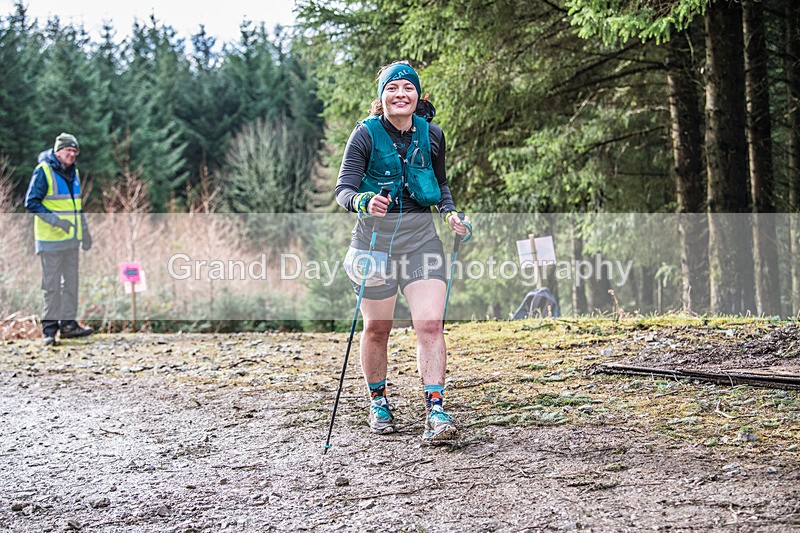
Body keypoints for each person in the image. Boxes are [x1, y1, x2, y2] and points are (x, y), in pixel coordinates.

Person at [335, 61, 471, 443]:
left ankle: (436, 410)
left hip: (421, 242)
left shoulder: (433, 135)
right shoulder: (364, 135)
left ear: (417, 95)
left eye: (407, 88)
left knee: (430, 323)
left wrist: (450, 214)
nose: (400, 94)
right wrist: (363, 200)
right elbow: (343, 190)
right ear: (382, 97)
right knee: (378, 327)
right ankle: (378, 401)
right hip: (373, 245)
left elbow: (440, 184)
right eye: (392, 88)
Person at [25, 133, 94, 346]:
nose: (72, 154)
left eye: (74, 151)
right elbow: (31, 203)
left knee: (71, 284)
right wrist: (56, 222)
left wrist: (85, 232)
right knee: (52, 286)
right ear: (58, 151)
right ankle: (49, 331)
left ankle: (69, 326)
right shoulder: (43, 171)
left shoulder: (74, 173)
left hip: (71, 240)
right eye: (68, 150)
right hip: (50, 241)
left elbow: (76, 207)